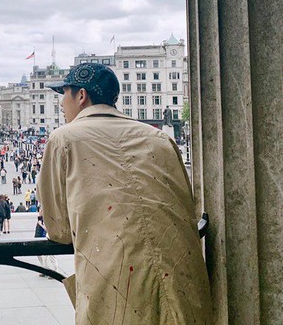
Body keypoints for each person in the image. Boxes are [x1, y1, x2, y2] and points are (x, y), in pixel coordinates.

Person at [37, 62, 211, 324]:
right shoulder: (159, 138)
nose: (62, 104)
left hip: (119, 289)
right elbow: (188, 207)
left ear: (81, 96)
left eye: (65, 94)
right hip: (184, 283)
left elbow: (58, 230)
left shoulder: (64, 139)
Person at [34, 207, 59, 277]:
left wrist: (41, 224)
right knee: (41, 256)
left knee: (50, 257)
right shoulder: (40, 218)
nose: (40, 211)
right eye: (39, 210)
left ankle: (54, 271)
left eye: (41, 210)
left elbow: (48, 229)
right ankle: (46, 270)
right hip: (39, 238)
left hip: (47, 238)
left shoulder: (47, 219)